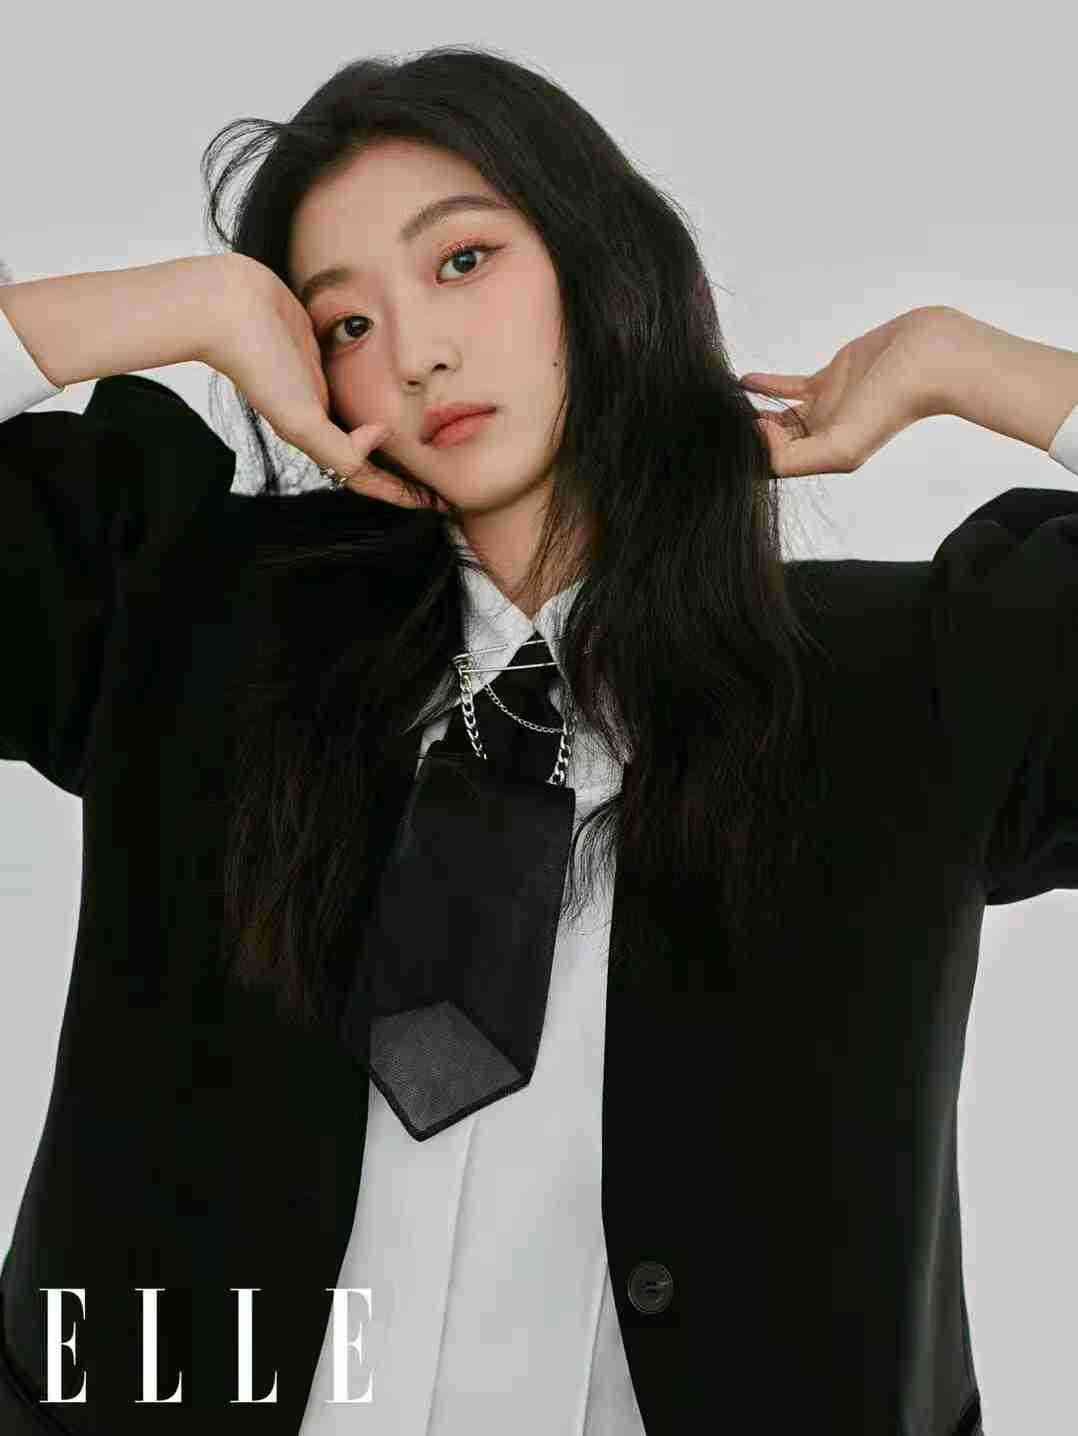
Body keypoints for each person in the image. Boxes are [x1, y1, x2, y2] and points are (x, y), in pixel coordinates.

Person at [2, 43, 1078, 1436]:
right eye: (344, 322)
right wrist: (166, 307)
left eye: (462, 262)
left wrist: (976, 367)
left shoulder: (904, 684)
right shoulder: (179, 611)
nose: (417, 352)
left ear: (598, 259)